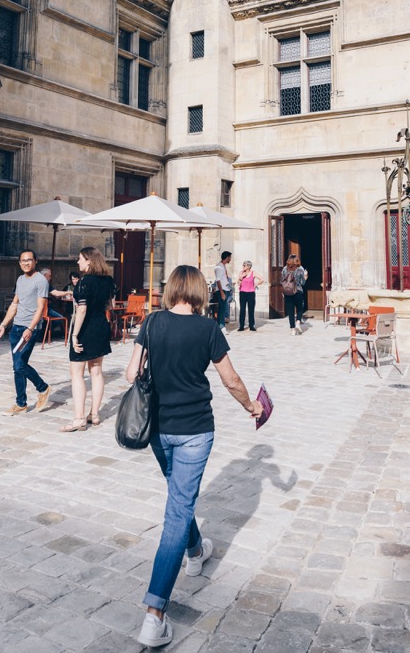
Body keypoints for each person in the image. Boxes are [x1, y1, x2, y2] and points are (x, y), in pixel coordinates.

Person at [124, 265, 262, 648]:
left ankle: (197, 549)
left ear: (171, 289)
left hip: (158, 429)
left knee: (179, 500)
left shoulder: (151, 323)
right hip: (195, 431)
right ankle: (154, 614)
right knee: (177, 511)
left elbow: (131, 372)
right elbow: (230, 379)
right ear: (200, 291)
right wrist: (250, 405)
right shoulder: (209, 328)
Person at [0, 250, 52, 416]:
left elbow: (40, 307)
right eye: (23, 261)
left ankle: (43, 388)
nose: (26, 263)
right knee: (17, 368)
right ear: (19, 263)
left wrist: (30, 328)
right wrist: (3, 325)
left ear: (35, 261)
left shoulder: (41, 281)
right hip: (16, 328)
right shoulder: (20, 279)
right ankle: (21, 403)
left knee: (20, 365)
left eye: (29, 260)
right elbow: (14, 305)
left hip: (28, 329)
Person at [63, 247, 116, 431]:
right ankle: (94, 414)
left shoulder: (84, 282)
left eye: (80, 259)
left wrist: (75, 334)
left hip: (86, 329)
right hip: (101, 327)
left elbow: (82, 310)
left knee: (77, 373)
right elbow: (110, 305)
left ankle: (78, 418)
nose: (78, 262)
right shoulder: (108, 281)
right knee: (96, 371)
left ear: (89, 261)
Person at [279, 255, 308, 332]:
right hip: (298, 291)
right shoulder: (299, 269)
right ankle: (298, 322)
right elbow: (303, 283)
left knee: (290, 311)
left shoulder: (284, 269)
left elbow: (281, 280)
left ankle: (292, 330)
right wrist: (305, 276)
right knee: (299, 309)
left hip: (287, 292)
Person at [236, 260, 263, 332]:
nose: (243, 267)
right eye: (243, 265)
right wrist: (241, 277)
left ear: (248, 266)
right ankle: (241, 326)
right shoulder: (241, 273)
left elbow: (262, 279)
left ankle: (252, 326)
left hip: (251, 293)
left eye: (244, 265)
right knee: (242, 309)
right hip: (242, 293)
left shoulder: (253, 273)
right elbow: (238, 283)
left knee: (251, 310)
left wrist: (256, 284)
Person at [212, 251, 233, 329]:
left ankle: (220, 326)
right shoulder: (219, 267)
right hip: (222, 290)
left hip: (226, 289)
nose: (230, 259)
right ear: (227, 257)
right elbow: (218, 280)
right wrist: (221, 292)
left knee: (223, 308)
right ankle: (221, 326)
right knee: (222, 309)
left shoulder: (223, 266)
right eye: (230, 257)